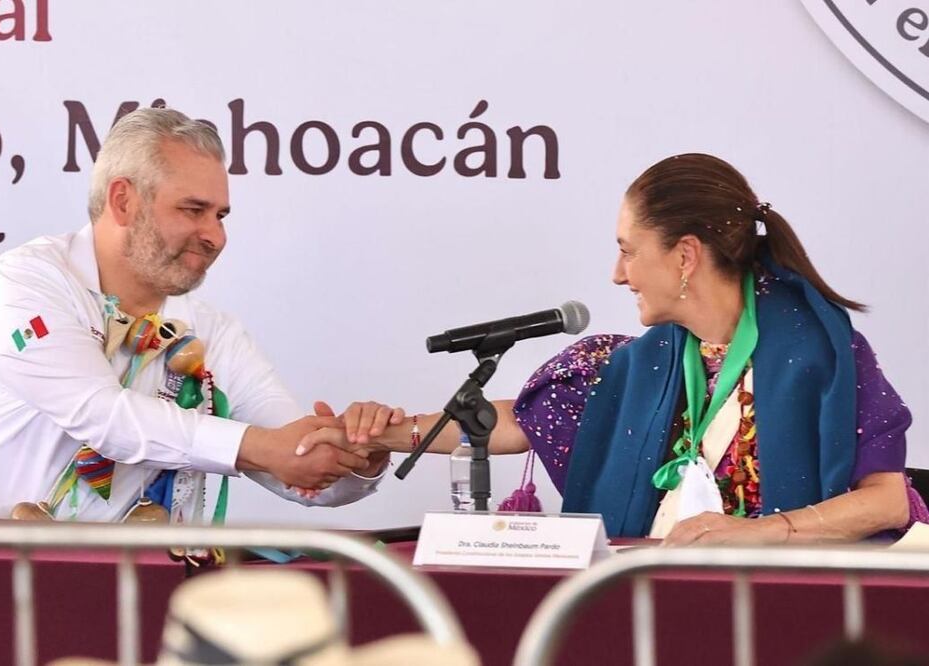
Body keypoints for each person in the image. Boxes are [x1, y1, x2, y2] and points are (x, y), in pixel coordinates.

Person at [300, 153, 928, 544]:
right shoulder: (632, 365)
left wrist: (765, 533)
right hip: (651, 604)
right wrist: (381, 435)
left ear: (685, 256)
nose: (617, 274)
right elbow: (514, 421)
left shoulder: (823, 355)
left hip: (784, 612)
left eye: (628, 251)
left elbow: (887, 499)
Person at [0, 107, 394, 523]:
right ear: (123, 201)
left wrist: (355, 456)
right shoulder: (28, 281)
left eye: (220, 215)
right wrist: (260, 447)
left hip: (119, 589)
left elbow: (296, 464)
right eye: (193, 210)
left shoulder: (215, 334)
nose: (215, 236)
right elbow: (103, 416)